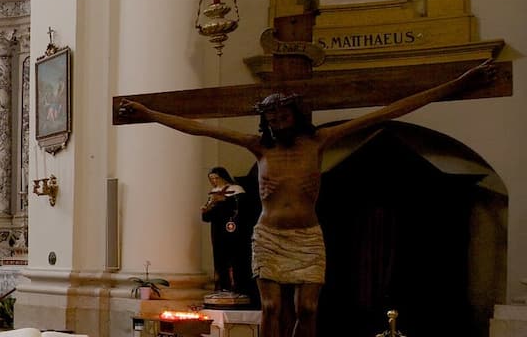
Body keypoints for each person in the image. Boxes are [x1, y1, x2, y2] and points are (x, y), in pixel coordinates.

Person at [118, 60, 496, 337]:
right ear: (265, 122)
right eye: (272, 117)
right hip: (268, 237)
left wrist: (459, 83)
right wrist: (148, 112)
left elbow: (392, 109)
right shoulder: (259, 148)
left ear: (296, 115)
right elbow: (198, 128)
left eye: (284, 115)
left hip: (306, 238)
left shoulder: (318, 142)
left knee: (309, 308)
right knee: (270, 307)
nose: (278, 122)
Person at [202, 167, 257, 301]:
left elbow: (243, 209)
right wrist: (206, 210)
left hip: (233, 230)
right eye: (211, 179)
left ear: (223, 177)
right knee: (220, 258)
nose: (214, 181)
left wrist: (225, 201)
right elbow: (207, 218)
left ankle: (238, 287)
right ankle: (223, 287)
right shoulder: (213, 194)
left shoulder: (236, 190)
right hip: (218, 230)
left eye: (216, 178)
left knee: (235, 257)